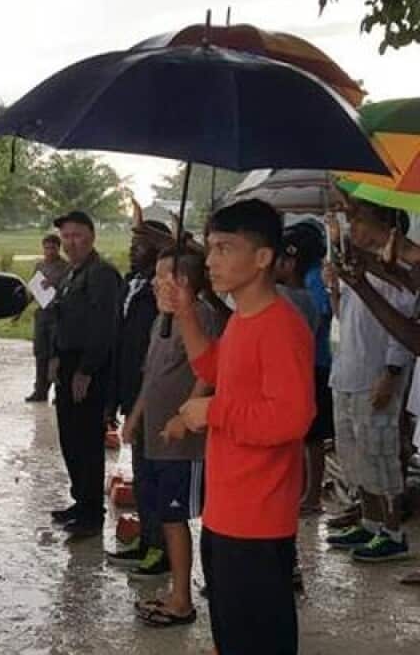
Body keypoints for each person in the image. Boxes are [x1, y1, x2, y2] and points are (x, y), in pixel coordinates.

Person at [163, 198, 313, 655]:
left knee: (258, 638)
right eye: (210, 248)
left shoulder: (281, 326)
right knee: (232, 633)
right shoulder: (243, 320)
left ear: (263, 257)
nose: (211, 261)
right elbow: (214, 366)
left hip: (259, 516)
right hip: (228, 509)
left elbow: (292, 417)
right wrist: (185, 311)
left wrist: (213, 412)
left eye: (225, 248)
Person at [130, 248, 222, 628]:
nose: (154, 283)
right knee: (164, 516)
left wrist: (188, 411)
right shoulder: (160, 321)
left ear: (183, 282)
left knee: (176, 516)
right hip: (156, 436)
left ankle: (183, 599)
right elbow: (151, 376)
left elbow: (208, 372)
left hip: (183, 443)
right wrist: (136, 416)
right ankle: (176, 591)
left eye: (162, 276)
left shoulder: (201, 316)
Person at [324, 201, 415, 562]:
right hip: (348, 371)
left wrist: (391, 374)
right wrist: (336, 288)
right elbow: (344, 319)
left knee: (381, 457)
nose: (353, 228)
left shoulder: (396, 270)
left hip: (375, 375)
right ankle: (371, 521)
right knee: (355, 456)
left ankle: (392, 531)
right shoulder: (358, 264)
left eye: (358, 219)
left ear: (386, 224)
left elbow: (404, 329)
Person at [46, 211, 124, 539]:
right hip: (67, 361)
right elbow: (61, 317)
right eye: (66, 236)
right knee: (70, 438)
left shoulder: (101, 274)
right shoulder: (71, 273)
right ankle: (80, 502)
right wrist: (54, 357)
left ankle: (92, 513)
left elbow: (104, 326)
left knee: (87, 441)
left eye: (77, 235)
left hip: (88, 366)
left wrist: (86, 370)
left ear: (91, 236)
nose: (70, 242)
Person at [108, 220, 172, 576]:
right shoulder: (131, 284)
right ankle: (147, 538)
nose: (133, 248)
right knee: (143, 473)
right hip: (133, 390)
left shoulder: (164, 293)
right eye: (132, 241)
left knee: (157, 475)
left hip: (156, 396)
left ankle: (161, 547)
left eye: (142, 242)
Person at [276, 223, 335, 515]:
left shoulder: (310, 281)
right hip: (309, 363)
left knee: (312, 437)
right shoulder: (298, 284)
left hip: (315, 363)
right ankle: (302, 491)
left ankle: (312, 495)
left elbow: (323, 311)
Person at [27, 234, 69, 403]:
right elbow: (33, 289)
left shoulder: (65, 267)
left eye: (53, 248)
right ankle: (40, 390)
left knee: (56, 353)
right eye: (46, 248)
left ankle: (59, 392)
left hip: (58, 314)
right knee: (40, 353)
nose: (49, 251)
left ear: (58, 248)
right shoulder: (40, 266)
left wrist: (54, 284)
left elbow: (68, 291)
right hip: (42, 312)